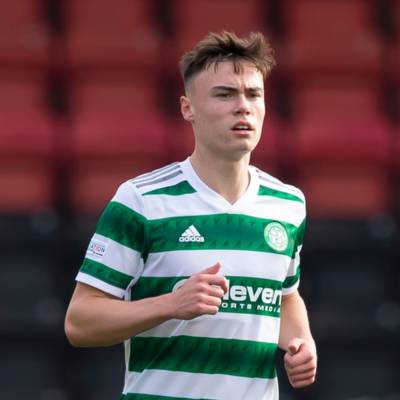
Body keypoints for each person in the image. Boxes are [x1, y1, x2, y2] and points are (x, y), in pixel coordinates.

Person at [65, 31, 317, 400]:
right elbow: (79, 322)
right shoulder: (142, 201)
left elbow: (284, 296)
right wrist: (170, 304)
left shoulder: (288, 204)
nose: (243, 107)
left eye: (253, 94)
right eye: (224, 94)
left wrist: (301, 341)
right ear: (188, 108)